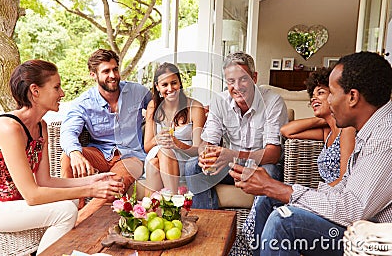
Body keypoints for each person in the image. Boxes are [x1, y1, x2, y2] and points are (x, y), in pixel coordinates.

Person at [229, 51, 392, 256]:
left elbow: (352, 210)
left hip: (371, 238)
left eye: (331, 93)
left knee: (284, 221)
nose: (329, 102)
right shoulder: (369, 131)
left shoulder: (385, 138)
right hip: (355, 221)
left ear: (352, 97)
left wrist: (278, 187)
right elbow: (343, 191)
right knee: (269, 199)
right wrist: (277, 189)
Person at [0, 60, 123, 255]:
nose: (62, 93)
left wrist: (94, 179)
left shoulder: (41, 126)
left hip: (15, 204)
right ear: (35, 91)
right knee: (66, 210)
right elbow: (33, 195)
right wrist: (90, 190)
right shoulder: (8, 127)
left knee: (68, 205)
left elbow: (46, 181)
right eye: (56, 87)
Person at [185, 51, 289, 209]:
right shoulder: (220, 101)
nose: (237, 86)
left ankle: (255, 231)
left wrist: (232, 155)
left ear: (254, 78)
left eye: (243, 79)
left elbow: (273, 154)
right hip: (232, 166)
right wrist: (205, 155)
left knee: (270, 173)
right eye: (231, 81)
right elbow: (207, 142)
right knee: (192, 167)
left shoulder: (272, 102)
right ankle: (210, 224)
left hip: (262, 166)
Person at [60, 49, 151, 218]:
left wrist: (191, 110)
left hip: (131, 157)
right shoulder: (84, 103)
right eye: (106, 71)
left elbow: (163, 107)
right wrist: (74, 152)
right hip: (101, 154)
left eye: (115, 69)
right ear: (93, 75)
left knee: (113, 184)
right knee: (66, 157)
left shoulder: (138, 92)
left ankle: (78, 221)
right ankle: (71, 209)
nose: (113, 75)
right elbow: (68, 131)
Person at [280, 67, 356, 186]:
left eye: (320, 93)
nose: (313, 98)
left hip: (335, 197)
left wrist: (312, 195)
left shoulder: (347, 131)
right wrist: (322, 119)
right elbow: (286, 131)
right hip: (325, 194)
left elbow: (345, 180)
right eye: (312, 95)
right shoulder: (327, 133)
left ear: (334, 95)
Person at [143, 62, 206, 194]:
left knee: (158, 160)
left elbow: (198, 150)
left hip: (185, 160)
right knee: (155, 161)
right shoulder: (153, 106)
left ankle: (164, 205)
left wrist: (177, 144)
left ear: (180, 83)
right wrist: (157, 139)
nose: (170, 88)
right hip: (157, 156)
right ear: (157, 87)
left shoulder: (195, 108)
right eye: (164, 85)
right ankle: (171, 203)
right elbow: (147, 146)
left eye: (174, 83)